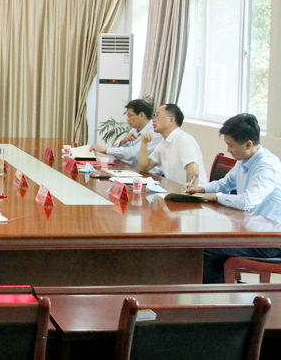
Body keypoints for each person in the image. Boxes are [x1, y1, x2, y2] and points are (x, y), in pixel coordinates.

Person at [180, 114, 281, 283]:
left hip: (271, 240)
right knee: (200, 245)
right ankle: (225, 287)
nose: (228, 150)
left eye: (231, 145)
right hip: (251, 231)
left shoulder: (267, 165)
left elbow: (246, 201)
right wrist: (201, 189)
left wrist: (215, 197)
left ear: (248, 144)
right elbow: (225, 183)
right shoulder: (244, 160)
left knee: (206, 251)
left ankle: (220, 296)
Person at [138, 103, 206, 185]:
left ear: (171, 120)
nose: (153, 120)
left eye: (157, 116)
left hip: (193, 191)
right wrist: (144, 143)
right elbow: (144, 167)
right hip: (173, 189)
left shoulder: (185, 140)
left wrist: (189, 191)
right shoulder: (163, 143)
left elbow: (194, 173)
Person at [90, 98, 162, 166]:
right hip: (131, 169)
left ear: (141, 115)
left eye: (130, 115)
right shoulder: (134, 130)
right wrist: (123, 141)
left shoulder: (155, 132)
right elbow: (117, 152)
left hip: (149, 173)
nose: (127, 119)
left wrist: (105, 150)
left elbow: (134, 153)